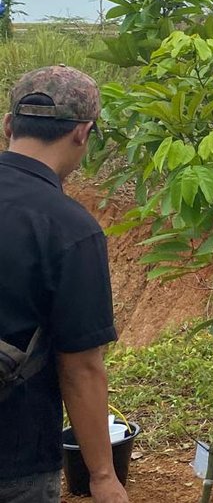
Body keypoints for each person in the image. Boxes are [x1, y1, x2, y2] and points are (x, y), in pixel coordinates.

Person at [0, 65, 129, 503]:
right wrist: (103, 478)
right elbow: (80, 367)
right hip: (16, 456)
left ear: (9, 125)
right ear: (82, 133)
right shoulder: (69, 228)